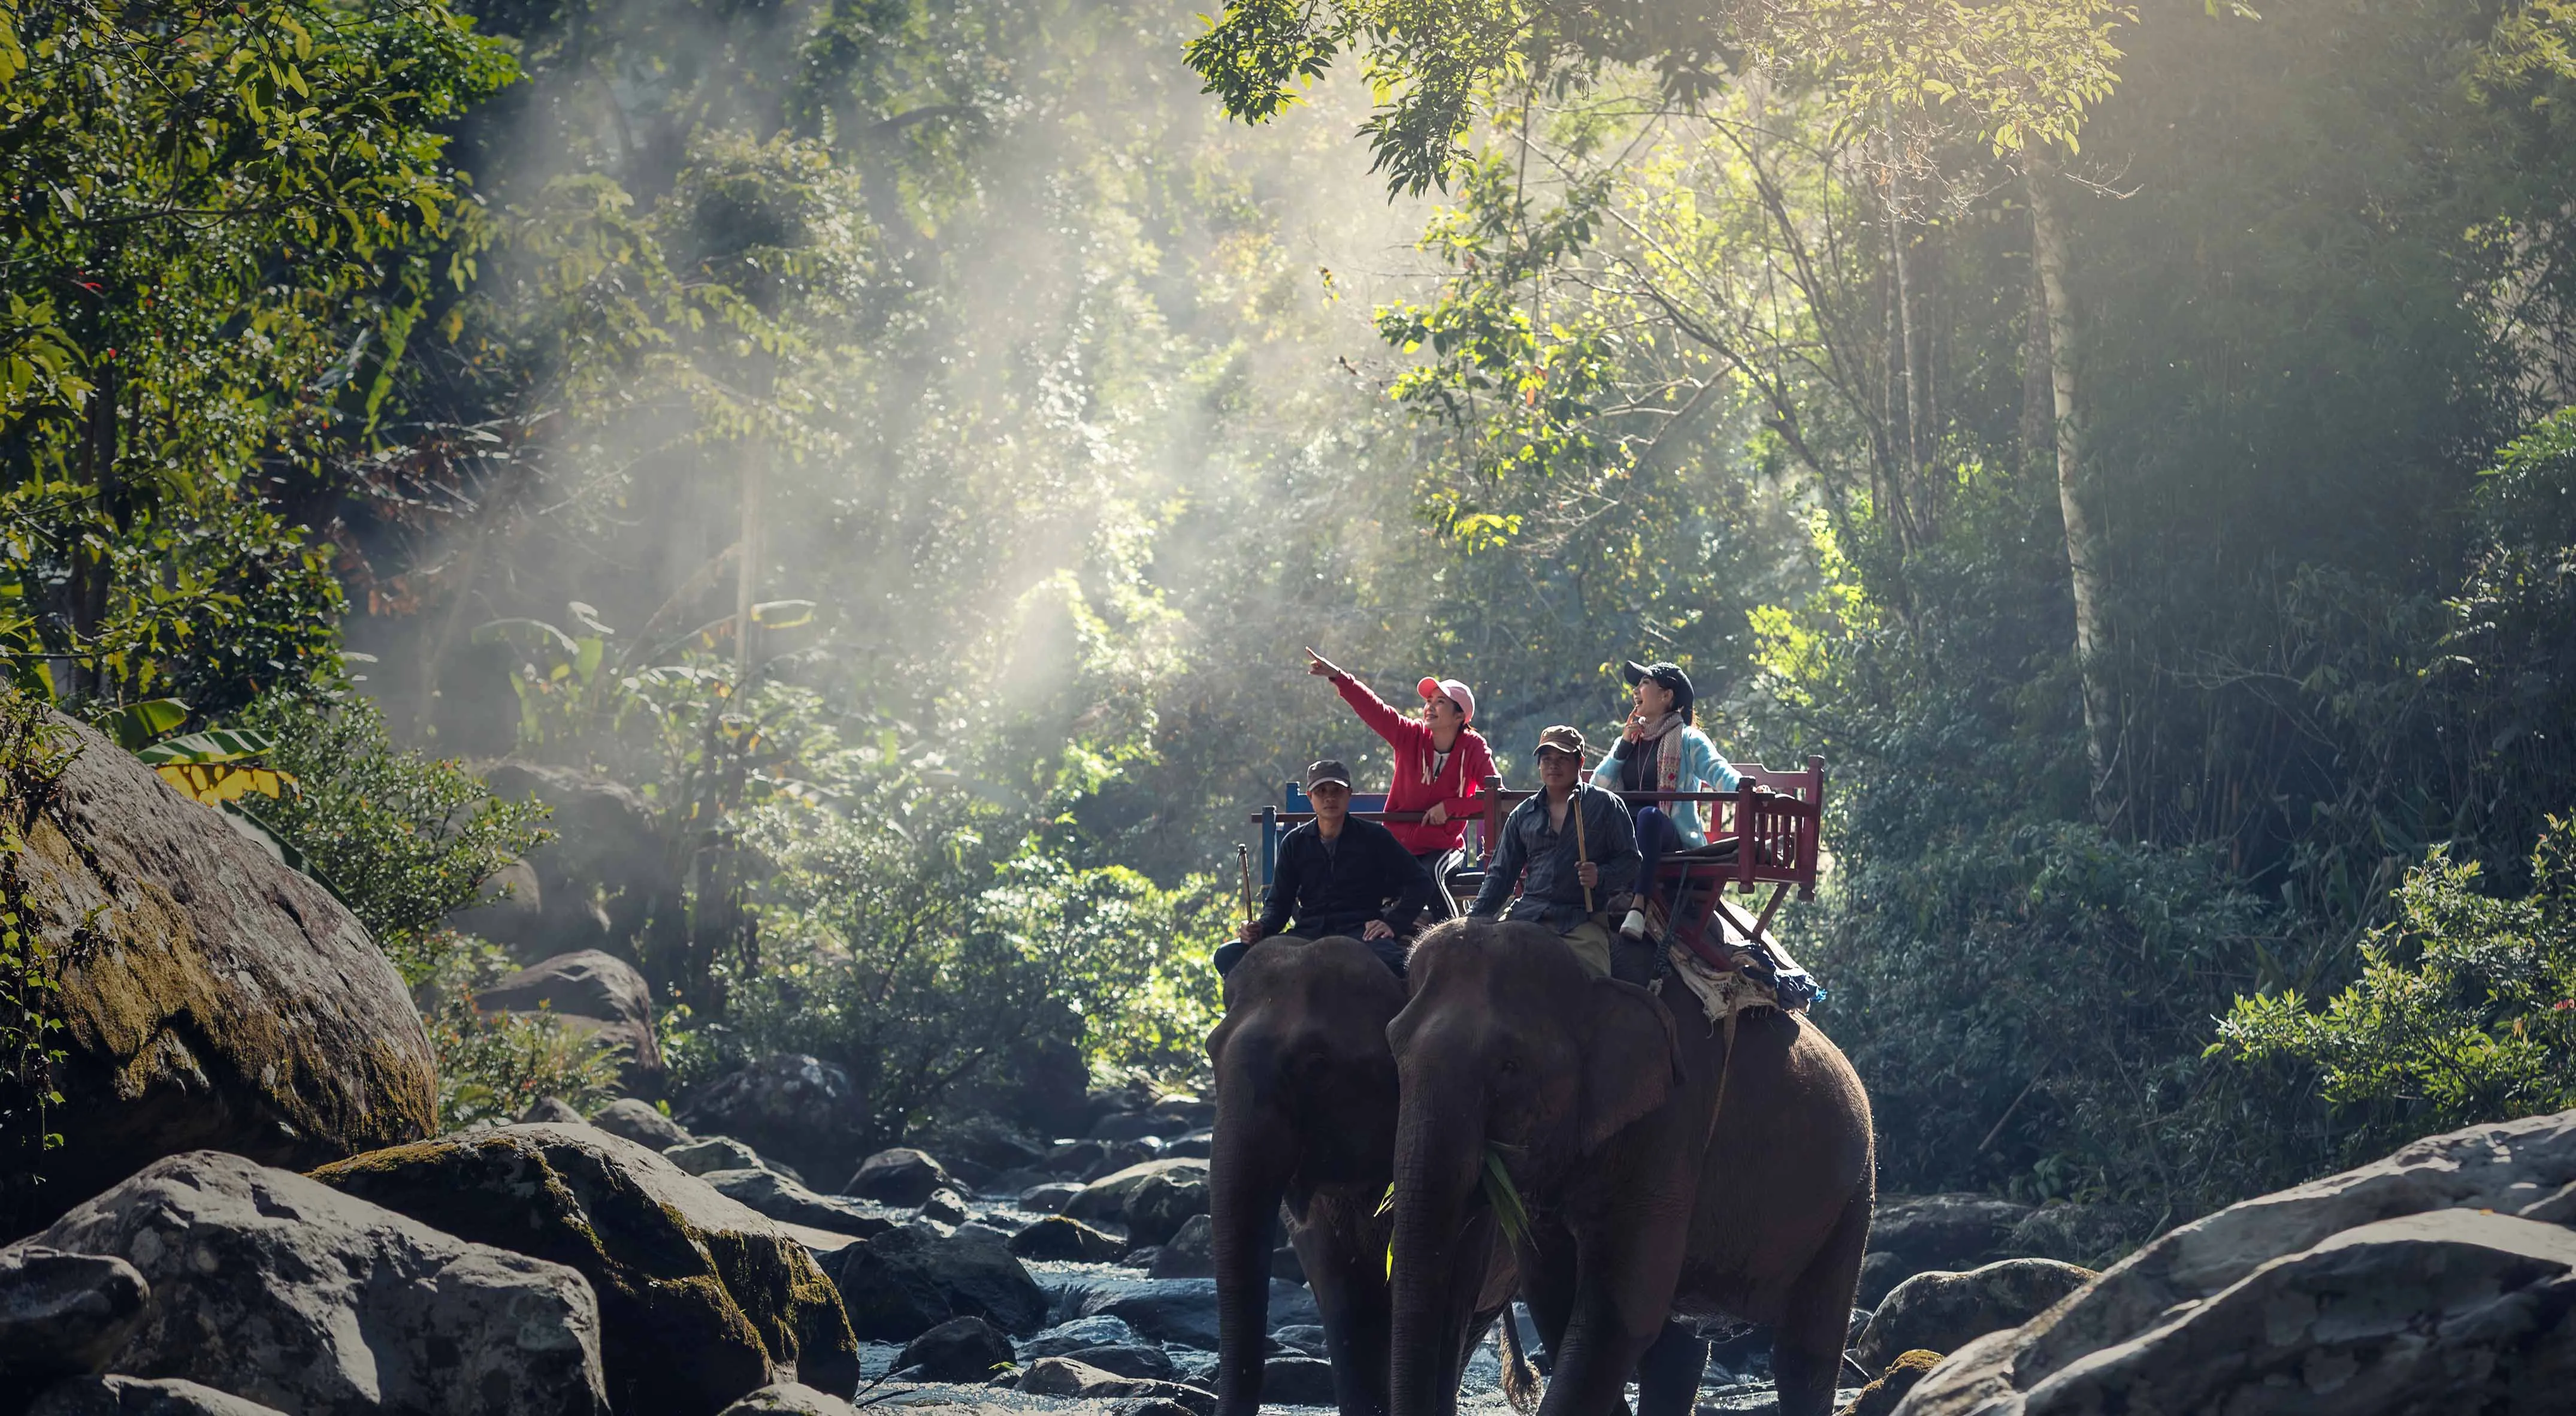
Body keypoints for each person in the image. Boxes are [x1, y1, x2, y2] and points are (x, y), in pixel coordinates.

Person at [1306, 647, 1496, 921]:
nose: (1429, 706)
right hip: (1398, 846)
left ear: (1459, 717)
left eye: (1440, 702)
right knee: (1362, 881)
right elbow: (1375, 709)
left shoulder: (1474, 748)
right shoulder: (1409, 735)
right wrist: (1339, 677)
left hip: (1444, 847)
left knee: (1429, 876)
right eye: (1429, 700)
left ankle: (1457, 938)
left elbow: (1495, 795)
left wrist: (1452, 807)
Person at [1217, 759, 1431, 979]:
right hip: (1307, 935)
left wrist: (1392, 923)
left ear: (1349, 794)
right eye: (1321, 791)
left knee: (1398, 967)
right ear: (1311, 797)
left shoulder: (1375, 838)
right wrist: (1259, 928)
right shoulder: (1294, 843)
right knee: (1227, 955)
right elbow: (1279, 905)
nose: (1330, 797)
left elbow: (1421, 882)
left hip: (1361, 933)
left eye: (1337, 790)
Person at [1467, 725, 1640, 979]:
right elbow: (1501, 874)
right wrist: (1474, 920)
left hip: (1581, 921)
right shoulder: (1523, 815)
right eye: (1546, 759)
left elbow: (1631, 862)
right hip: (1527, 916)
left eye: (1562, 759)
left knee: (1592, 983)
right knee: (1488, 976)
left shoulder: (1607, 805)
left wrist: (1600, 876)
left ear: (1580, 762)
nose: (1553, 766)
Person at [1594, 660, 1740, 943]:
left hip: (1666, 834)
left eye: (1644, 683)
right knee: (1606, 816)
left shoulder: (1688, 739)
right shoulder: (1629, 738)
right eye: (1636, 685)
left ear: (1666, 696)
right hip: (1627, 830)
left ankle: (1638, 904)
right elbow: (1598, 786)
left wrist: (1746, 788)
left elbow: (1718, 770)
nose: (1636, 691)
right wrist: (1624, 745)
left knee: (1649, 817)